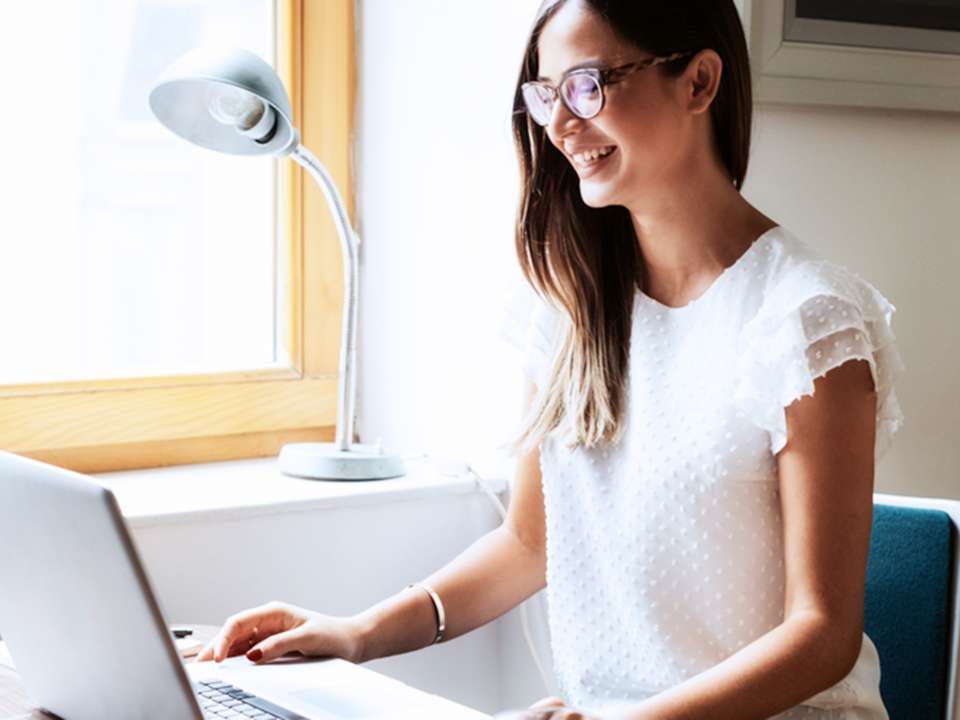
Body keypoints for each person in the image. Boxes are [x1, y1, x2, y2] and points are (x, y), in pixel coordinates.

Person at [197, 1, 905, 718]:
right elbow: (530, 542)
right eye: (546, 94)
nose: (561, 125)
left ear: (698, 82)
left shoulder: (806, 319)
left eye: (588, 86)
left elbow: (821, 634)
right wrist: (357, 633)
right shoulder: (569, 306)